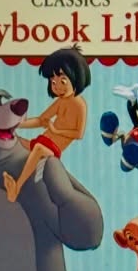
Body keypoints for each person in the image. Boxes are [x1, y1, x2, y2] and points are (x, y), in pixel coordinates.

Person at [5, 46, 91, 203]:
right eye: (53, 82)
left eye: (62, 80)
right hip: (40, 141)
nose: (57, 86)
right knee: (13, 140)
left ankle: (17, 188)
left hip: (53, 149)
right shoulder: (60, 102)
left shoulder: (80, 105)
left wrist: (56, 129)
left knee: (37, 149)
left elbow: (79, 134)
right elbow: (40, 120)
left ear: (76, 78)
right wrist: (17, 124)